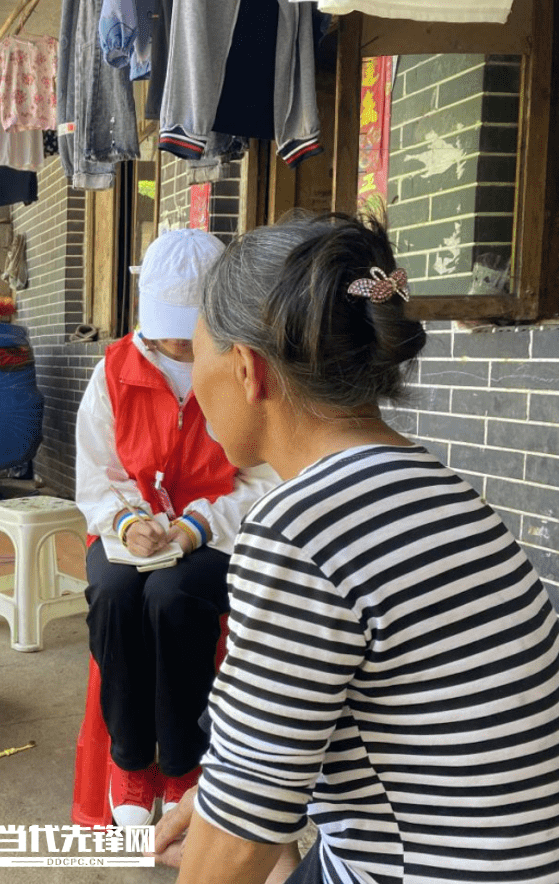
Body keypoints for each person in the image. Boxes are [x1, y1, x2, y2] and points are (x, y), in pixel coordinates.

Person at [151, 212, 559, 883]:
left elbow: (241, 832)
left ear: (248, 371)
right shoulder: (437, 485)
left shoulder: (299, 525)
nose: (194, 383)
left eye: (196, 354)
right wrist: (220, 799)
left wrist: (230, 814)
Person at [74, 227, 278, 828]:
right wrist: (129, 520)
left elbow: (264, 479)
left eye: (188, 328)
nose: (173, 340)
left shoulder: (246, 370)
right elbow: (96, 474)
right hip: (127, 528)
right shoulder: (114, 370)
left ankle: (185, 762)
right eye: (165, 323)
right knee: (113, 595)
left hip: (218, 530)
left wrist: (194, 526)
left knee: (172, 598)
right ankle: (130, 761)